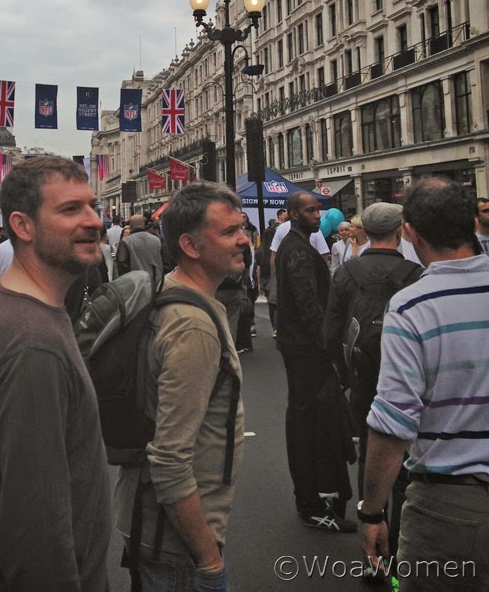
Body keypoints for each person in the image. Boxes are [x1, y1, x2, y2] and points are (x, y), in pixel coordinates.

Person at [0, 156, 110, 590]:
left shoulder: (15, 305)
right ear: (22, 226)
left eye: (92, 206)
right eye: (70, 210)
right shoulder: (31, 342)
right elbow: (35, 532)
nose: (94, 221)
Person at [113, 181, 245, 591]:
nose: (244, 239)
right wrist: (208, 560)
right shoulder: (193, 326)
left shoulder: (176, 292)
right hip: (176, 544)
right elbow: (170, 460)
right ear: (190, 245)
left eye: (241, 228)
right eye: (228, 232)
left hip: (153, 528)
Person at [359, 178, 489, 590]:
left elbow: (394, 421)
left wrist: (372, 511)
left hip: (451, 506)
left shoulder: (413, 305)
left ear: (410, 232)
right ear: (472, 221)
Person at [323, 202, 422, 559]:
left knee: (371, 447)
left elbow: (332, 328)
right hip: (406, 371)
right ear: (400, 230)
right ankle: (399, 541)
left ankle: (373, 541)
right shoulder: (414, 273)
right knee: (406, 450)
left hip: (363, 371)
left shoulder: (348, 272)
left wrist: (342, 371)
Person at [276, 190, 356, 531]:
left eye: (318, 210)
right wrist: (332, 352)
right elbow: (310, 306)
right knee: (308, 423)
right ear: (293, 214)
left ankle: (313, 495)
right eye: (310, 211)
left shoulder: (300, 246)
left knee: (307, 420)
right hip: (307, 351)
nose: (317, 216)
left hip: (303, 348)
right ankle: (311, 501)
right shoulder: (297, 251)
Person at [115, 213, 164, 284]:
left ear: (130, 226)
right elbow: (165, 262)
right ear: (144, 224)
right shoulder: (156, 240)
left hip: (136, 285)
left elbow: (122, 265)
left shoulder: (126, 242)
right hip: (157, 283)